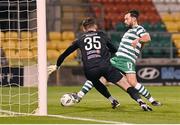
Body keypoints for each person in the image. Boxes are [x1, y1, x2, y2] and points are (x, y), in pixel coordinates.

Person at [48, 17, 152, 111]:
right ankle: (141, 102)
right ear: (95, 27)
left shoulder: (79, 39)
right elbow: (114, 50)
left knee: (95, 81)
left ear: (84, 29)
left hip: (90, 69)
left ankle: (112, 100)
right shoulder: (102, 35)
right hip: (105, 66)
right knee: (125, 84)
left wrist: (57, 66)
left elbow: (65, 54)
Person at [73, 10, 161, 106]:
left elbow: (147, 38)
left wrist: (138, 40)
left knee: (132, 82)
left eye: (127, 19)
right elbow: (141, 44)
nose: (125, 21)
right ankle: (80, 95)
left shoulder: (138, 29)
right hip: (117, 59)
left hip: (126, 60)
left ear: (134, 19)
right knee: (98, 74)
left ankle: (152, 100)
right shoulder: (129, 31)